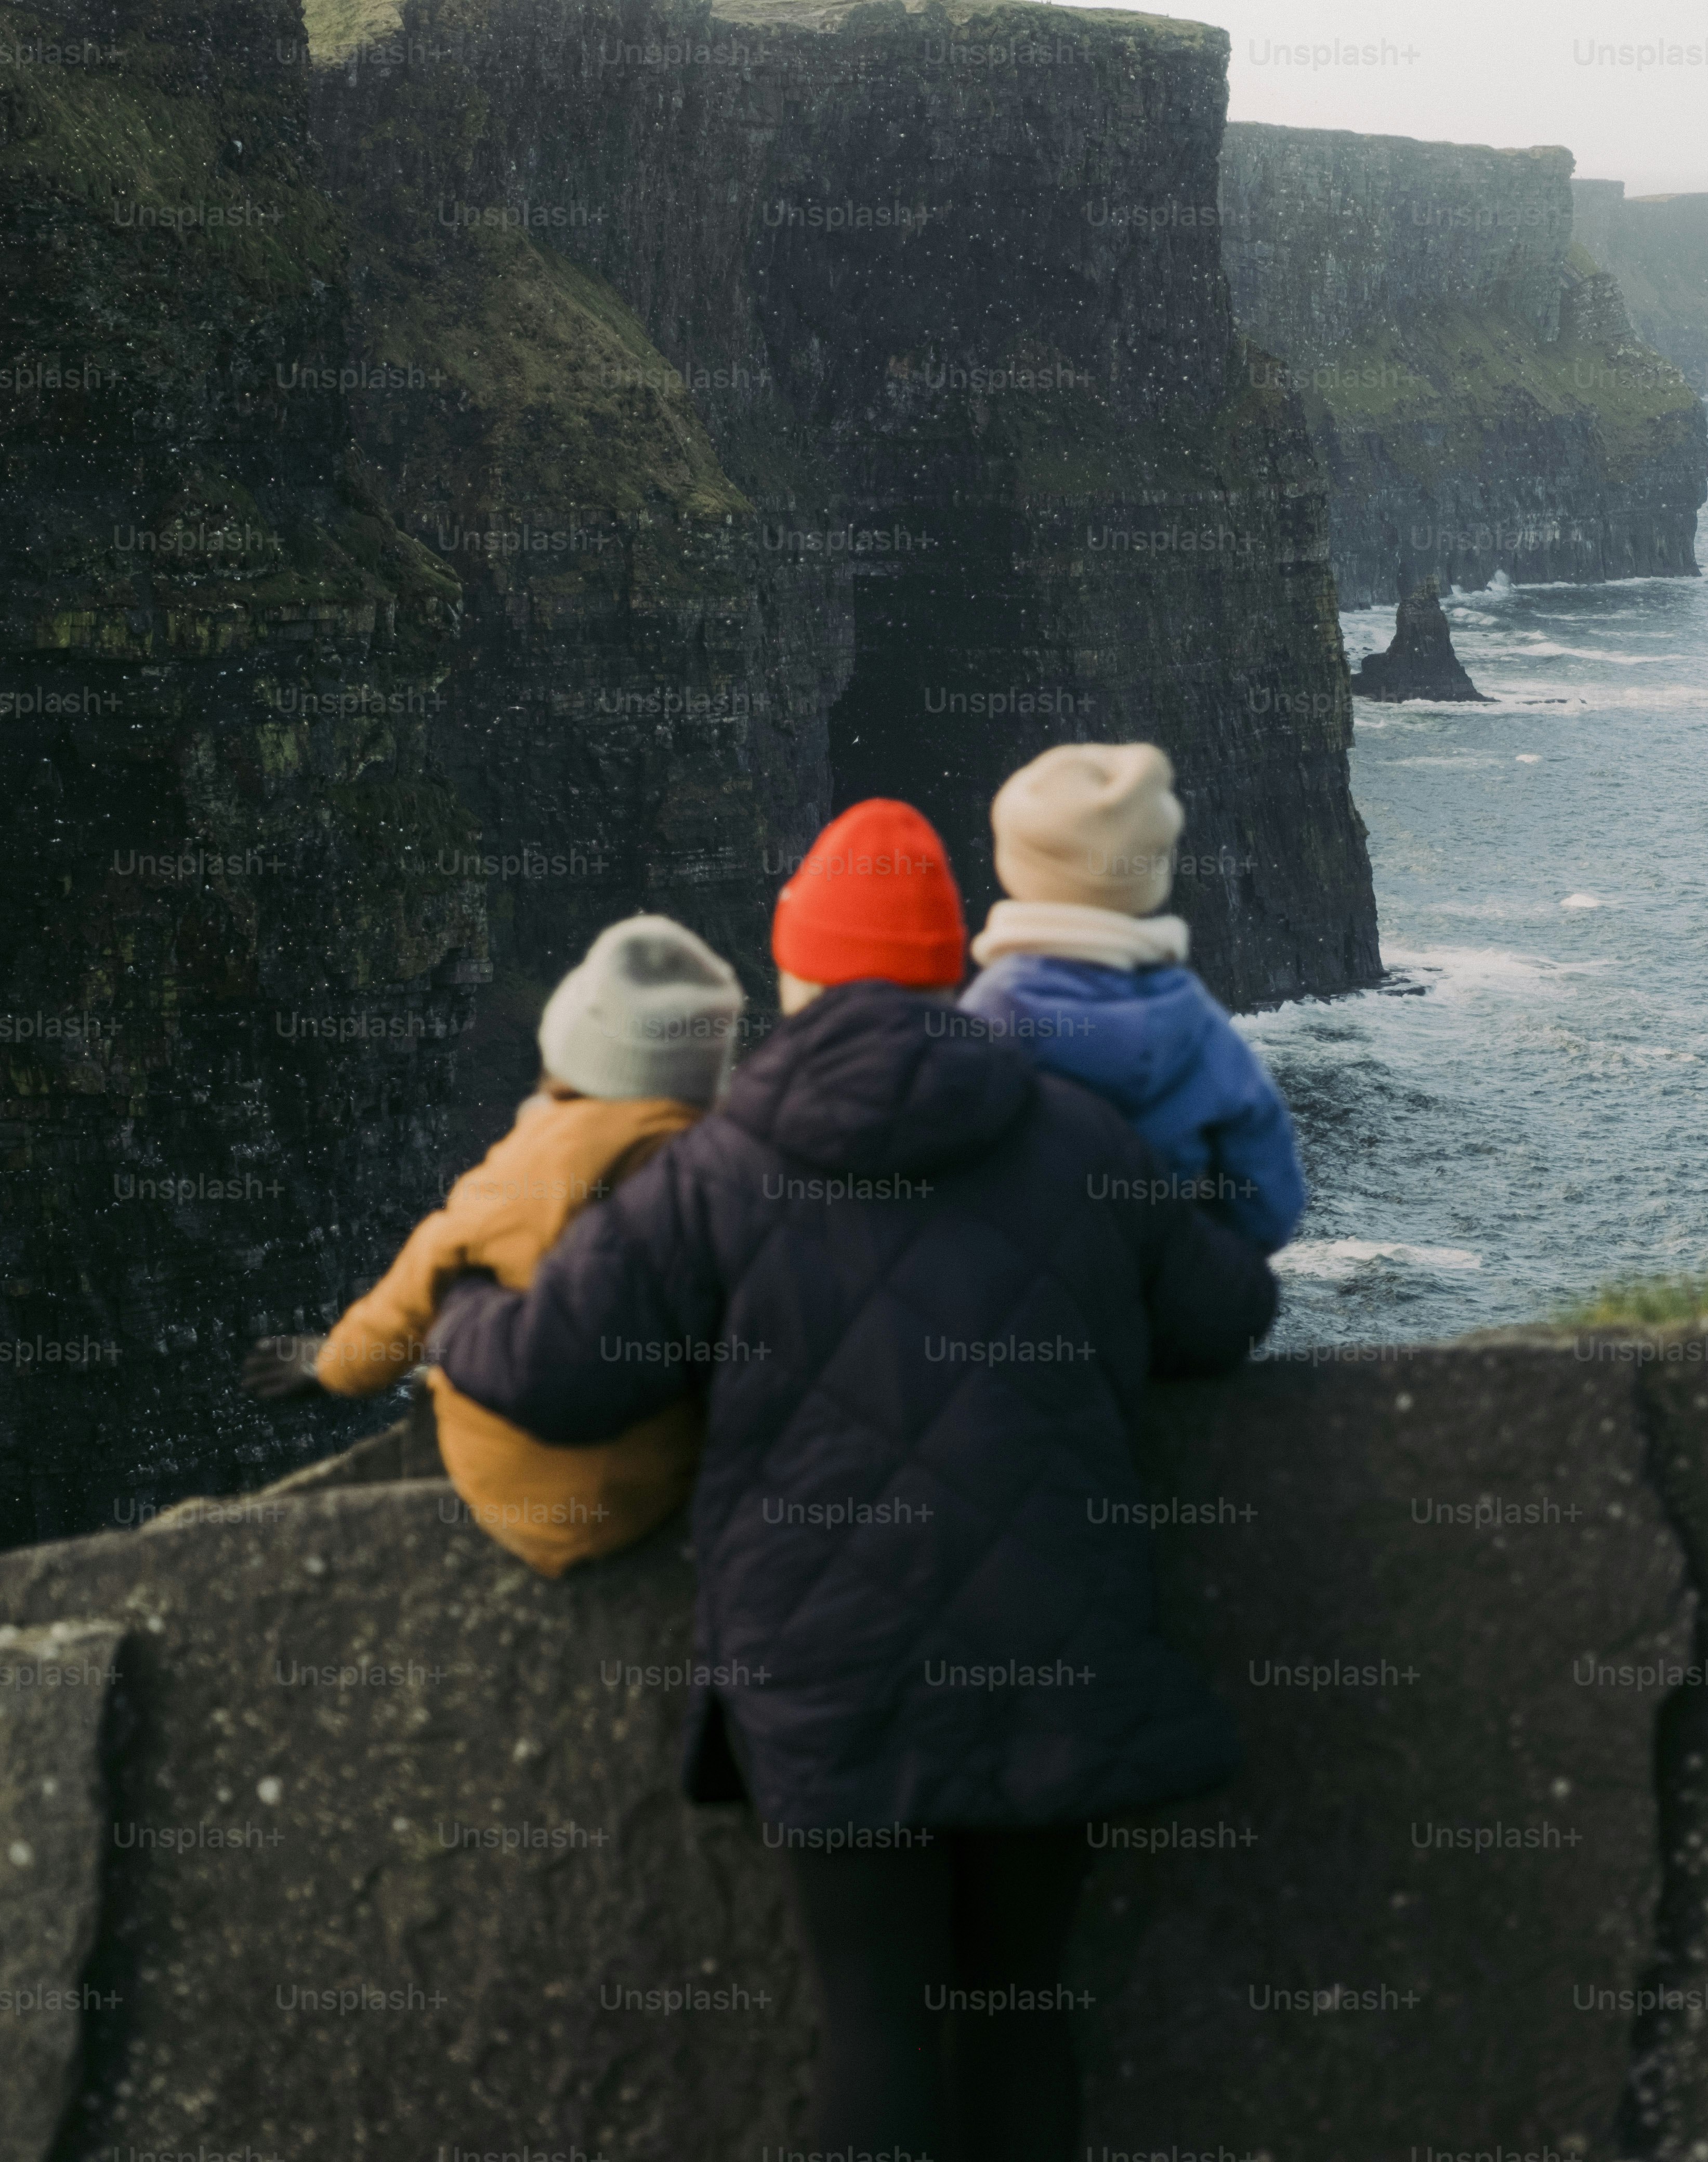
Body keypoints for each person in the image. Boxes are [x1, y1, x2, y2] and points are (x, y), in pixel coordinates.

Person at [427, 796, 1277, 2156]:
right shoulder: (1075, 1136)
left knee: (877, 2030)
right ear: (951, 968)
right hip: (1055, 1641)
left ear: (794, 972)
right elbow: (1226, 1318)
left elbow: (551, 1372)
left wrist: (460, 1302)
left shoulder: (715, 1170)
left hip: (831, 1663)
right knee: (1016, 2011)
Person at [240, 913, 744, 1576]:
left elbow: (412, 1290)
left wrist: (330, 1365)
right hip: (655, 1487)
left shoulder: (527, 1166)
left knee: (460, 1290)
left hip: (515, 1495)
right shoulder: (730, 1172)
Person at [957, 742, 1305, 1253]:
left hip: (1006, 1287)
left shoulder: (988, 1011)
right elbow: (1271, 1202)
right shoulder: (1195, 1022)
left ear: (1015, 866)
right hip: (1146, 1294)